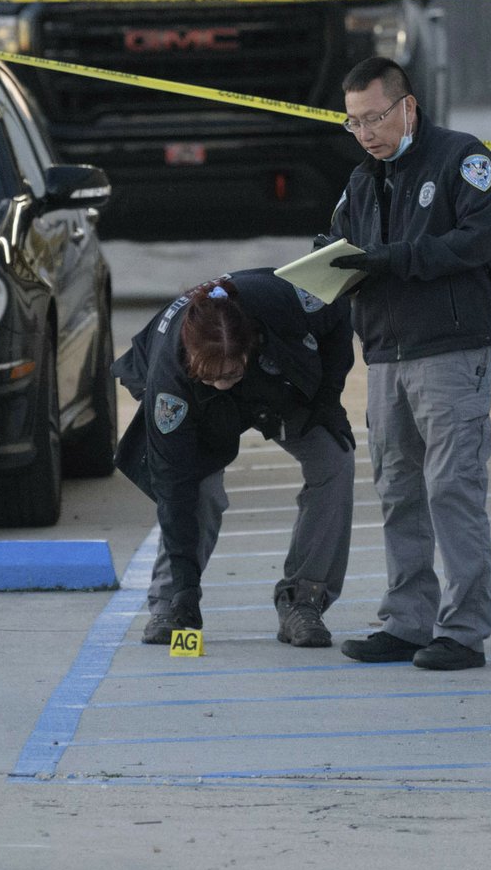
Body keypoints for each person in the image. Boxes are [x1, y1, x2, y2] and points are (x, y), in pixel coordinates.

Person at [323, 56, 491, 672]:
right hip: (384, 357)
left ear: (408, 106)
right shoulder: (361, 182)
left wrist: (398, 259)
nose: (366, 133)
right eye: (354, 123)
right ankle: (407, 620)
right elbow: (345, 249)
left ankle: (464, 631)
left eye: (374, 117)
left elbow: (477, 240)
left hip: (452, 351)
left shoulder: (463, 159)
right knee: (398, 491)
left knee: (452, 488)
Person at [115, 271, 357, 650]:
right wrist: (186, 589)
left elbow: (340, 309)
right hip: (194, 401)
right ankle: (168, 603)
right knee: (200, 491)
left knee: (335, 461)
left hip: (273, 381)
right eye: (211, 376)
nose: (222, 382)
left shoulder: (283, 304)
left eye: (230, 373)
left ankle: (304, 600)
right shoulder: (171, 386)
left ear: (250, 346)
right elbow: (173, 487)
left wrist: (328, 397)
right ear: (193, 361)